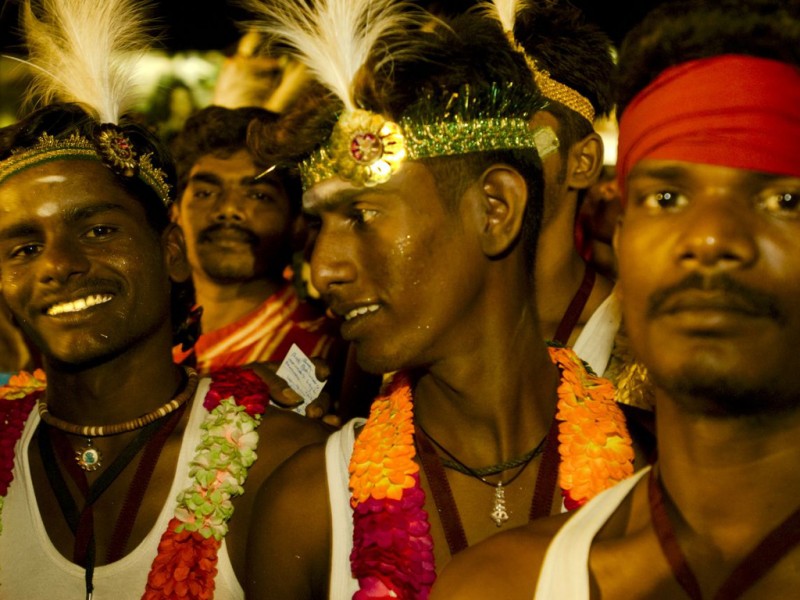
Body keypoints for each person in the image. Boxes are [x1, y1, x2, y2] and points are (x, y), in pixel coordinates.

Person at [242, 2, 638, 598]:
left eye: (364, 214)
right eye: (318, 226)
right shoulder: (306, 509)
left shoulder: (655, 477)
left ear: (496, 210)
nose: (323, 268)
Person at [430, 0, 800, 597]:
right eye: (667, 198)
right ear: (624, 238)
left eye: (784, 201)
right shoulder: (500, 585)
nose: (710, 238)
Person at [0, 1, 330, 597]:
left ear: (171, 250)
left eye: (99, 230)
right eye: (22, 248)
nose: (58, 265)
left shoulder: (290, 466)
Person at [169, 105, 344, 386]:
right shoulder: (146, 338)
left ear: (298, 222)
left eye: (258, 195)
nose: (228, 209)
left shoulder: (325, 353)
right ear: (174, 213)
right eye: (206, 192)